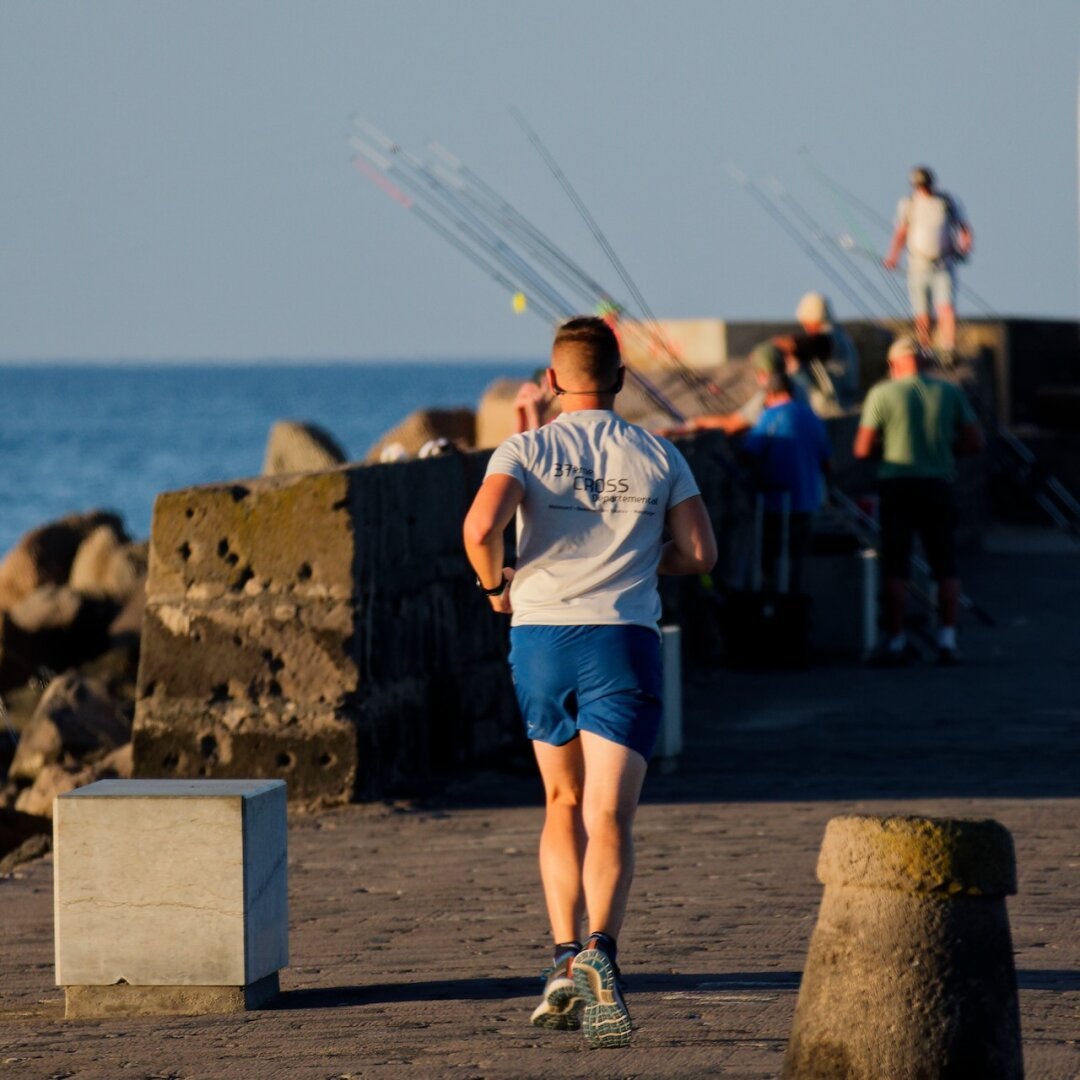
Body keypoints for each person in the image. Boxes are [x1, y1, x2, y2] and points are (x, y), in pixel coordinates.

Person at [463, 316, 717, 1048]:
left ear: (551, 381)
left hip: (541, 639)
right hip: (624, 642)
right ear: (622, 380)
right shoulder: (659, 452)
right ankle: (603, 950)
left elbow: (481, 530)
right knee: (610, 814)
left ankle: (561, 957)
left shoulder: (526, 447)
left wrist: (494, 589)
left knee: (560, 801)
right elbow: (701, 552)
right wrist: (643, 561)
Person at [853, 335, 983, 665]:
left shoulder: (882, 393)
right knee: (945, 565)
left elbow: (862, 448)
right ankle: (947, 640)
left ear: (895, 364)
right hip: (938, 484)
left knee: (896, 566)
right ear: (923, 362)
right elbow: (974, 441)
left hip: (897, 485)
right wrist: (944, 453)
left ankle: (896, 642)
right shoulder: (950, 391)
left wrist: (891, 451)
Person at [741, 344, 832, 593]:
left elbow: (749, 452)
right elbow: (827, 461)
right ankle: (797, 609)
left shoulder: (771, 416)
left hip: (776, 505)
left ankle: (774, 607)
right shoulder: (812, 417)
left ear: (770, 394)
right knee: (798, 566)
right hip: (808, 503)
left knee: (770, 563)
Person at [884, 166, 973, 360]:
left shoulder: (947, 202)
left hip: (943, 265)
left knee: (946, 308)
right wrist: (893, 257)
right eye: (918, 185)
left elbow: (964, 228)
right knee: (922, 313)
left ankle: (948, 348)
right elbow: (901, 232)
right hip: (917, 267)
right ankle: (924, 350)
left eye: (924, 185)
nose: (922, 189)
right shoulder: (908, 204)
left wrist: (965, 244)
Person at [773, 292, 860, 413]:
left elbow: (810, 344)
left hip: (835, 410)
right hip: (845, 406)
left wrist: (778, 345)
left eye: (805, 322)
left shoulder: (829, 339)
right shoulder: (841, 337)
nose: (805, 327)